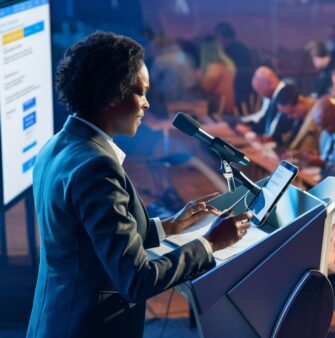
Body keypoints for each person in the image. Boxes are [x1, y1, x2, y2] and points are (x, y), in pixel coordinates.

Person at [27, 32, 251, 338]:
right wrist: (210, 244)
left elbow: (90, 242)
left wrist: (170, 226)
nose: (146, 104)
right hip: (87, 327)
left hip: (57, 318)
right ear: (111, 94)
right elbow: (136, 280)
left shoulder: (55, 146)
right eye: (140, 92)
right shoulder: (97, 167)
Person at [236, 66, 294, 144]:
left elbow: (279, 134)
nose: (260, 96)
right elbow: (264, 122)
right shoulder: (272, 96)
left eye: (259, 92)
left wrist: (255, 134)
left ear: (269, 83)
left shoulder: (286, 95)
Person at [213, 22, 254, 110]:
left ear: (225, 37)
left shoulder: (236, 51)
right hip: (240, 91)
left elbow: (242, 71)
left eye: (218, 38)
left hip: (240, 90)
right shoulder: (236, 48)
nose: (217, 42)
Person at [197, 35, 236, 114]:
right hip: (230, 105)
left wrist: (198, 77)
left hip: (220, 108)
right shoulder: (227, 64)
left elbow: (206, 88)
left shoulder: (215, 67)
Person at [274, 84, 319, 152]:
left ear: (300, 101)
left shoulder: (318, 115)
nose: (290, 117)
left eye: (291, 112)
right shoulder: (302, 115)